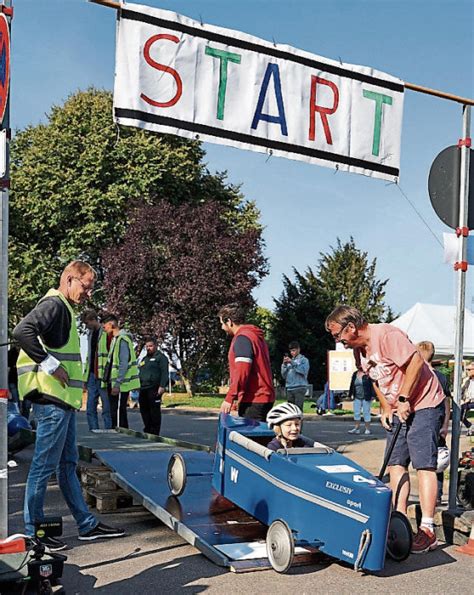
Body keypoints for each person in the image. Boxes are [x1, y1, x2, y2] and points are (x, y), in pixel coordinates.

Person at [13, 260, 124, 551]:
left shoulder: (63, 309)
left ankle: (86, 525)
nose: (88, 294)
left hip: (61, 403)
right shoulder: (55, 305)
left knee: (67, 465)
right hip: (51, 402)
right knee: (44, 466)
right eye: (85, 287)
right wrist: (50, 364)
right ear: (70, 279)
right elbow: (22, 331)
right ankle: (34, 531)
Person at [325, 305, 445, 554]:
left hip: (424, 402)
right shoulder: (359, 352)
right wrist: (386, 406)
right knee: (395, 462)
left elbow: (415, 362)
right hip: (398, 406)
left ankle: (428, 529)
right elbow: (373, 378)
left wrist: (403, 398)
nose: (338, 341)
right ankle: (398, 521)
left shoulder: (387, 335)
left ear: (351, 327)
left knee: (423, 463)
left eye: (338, 335)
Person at [218, 303, 275, 421]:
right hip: (264, 396)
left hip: (254, 398)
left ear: (229, 321)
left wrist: (230, 397)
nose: (222, 327)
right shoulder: (255, 336)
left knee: (250, 438)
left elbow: (242, 371)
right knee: (262, 437)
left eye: (222, 324)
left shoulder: (242, 338)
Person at [416, 341, 451, 504]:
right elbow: (447, 402)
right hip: (438, 422)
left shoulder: (423, 374)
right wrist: (445, 425)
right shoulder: (442, 376)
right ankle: (436, 495)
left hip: (425, 421)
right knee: (438, 460)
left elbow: (445, 401)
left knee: (428, 462)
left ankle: (431, 496)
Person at [101, 314, 140, 429]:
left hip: (120, 385)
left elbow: (123, 364)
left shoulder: (122, 340)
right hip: (114, 383)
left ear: (111, 324)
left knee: (118, 414)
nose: (104, 328)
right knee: (115, 412)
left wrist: (117, 383)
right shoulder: (115, 340)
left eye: (105, 326)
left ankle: (121, 437)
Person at [81, 309, 112, 432]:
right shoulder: (90, 334)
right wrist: (85, 378)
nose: (86, 326)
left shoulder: (105, 333)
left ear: (94, 320)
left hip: (103, 375)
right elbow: (89, 357)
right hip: (92, 376)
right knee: (90, 407)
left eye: (87, 323)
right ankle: (94, 431)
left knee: (106, 408)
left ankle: (109, 432)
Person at [138, 336, 169, 436]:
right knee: (144, 410)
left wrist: (162, 386)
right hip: (143, 388)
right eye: (146, 346)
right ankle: (148, 429)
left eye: (150, 346)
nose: (148, 348)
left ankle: (155, 432)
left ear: (156, 346)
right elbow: (141, 372)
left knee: (154, 411)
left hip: (154, 388)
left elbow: (165, 372)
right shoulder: (144, 359)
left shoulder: (161, 358)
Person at [281, 341, 310, 411]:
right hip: (289, 388)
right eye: (291, 351)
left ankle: (299, 421)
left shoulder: (304, 360)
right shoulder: (289, 361)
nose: (292, 353)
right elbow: (283, 375)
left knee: (298, 410)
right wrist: (284, 365)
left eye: (294, 350)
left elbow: (303, 371)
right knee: (290, 411)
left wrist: (292, 363)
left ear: (298, 349)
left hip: (299, 387)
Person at [347, 369, 375, 435]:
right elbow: (352, 385)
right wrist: (350, 394)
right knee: (356, 412)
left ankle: (367, 429)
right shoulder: (355, 373)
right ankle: (357, 428)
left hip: (366, 396)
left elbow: (372, 385)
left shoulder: (368, 373)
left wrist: (373, 395)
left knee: (366, 412)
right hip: (357, 396)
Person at [460, 361, 474, 436]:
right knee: (459, 411)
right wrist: (463, 400)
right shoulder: (466, 380)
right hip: (468, 402)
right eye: (467, 369)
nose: (467, 371)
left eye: (469, 369)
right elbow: (461, 391)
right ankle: (470, 426)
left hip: (472, 400)